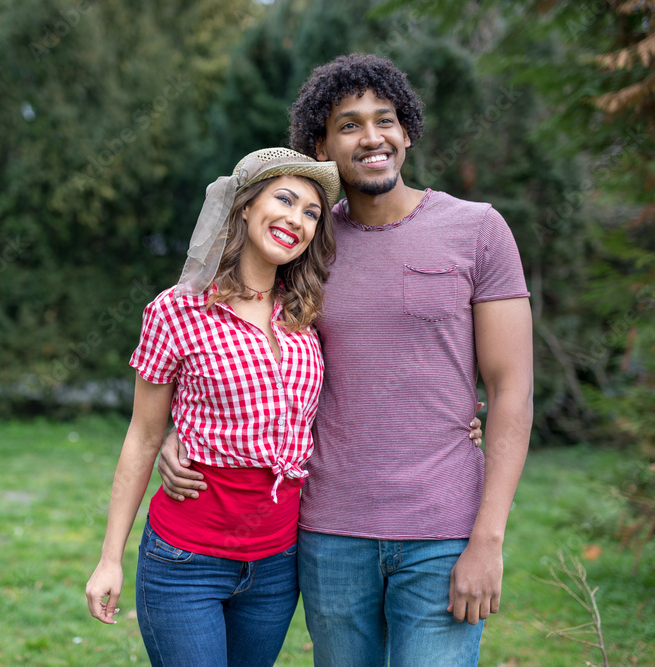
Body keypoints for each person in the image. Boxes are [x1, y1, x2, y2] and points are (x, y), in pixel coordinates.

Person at [158, 53, 534, 667]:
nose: (372, 137)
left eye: (384, 120)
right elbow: (228, 335)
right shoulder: (304, 240)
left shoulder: (478, 229)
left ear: (407, 131)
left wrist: (488, 539)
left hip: (444, 529)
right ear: (321, 146)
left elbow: (512, 386)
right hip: (328, 533)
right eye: (349, 124)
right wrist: (182, 429)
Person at [85, 147, 342, 667]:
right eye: (285, 200)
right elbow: (143, 437)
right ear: (245, 206)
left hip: (276, 564)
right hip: (187, 560)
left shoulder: (307, 312)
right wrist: (109, 559)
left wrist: (454, 418)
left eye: (311, 212)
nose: (296, 219)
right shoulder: (178, 310)